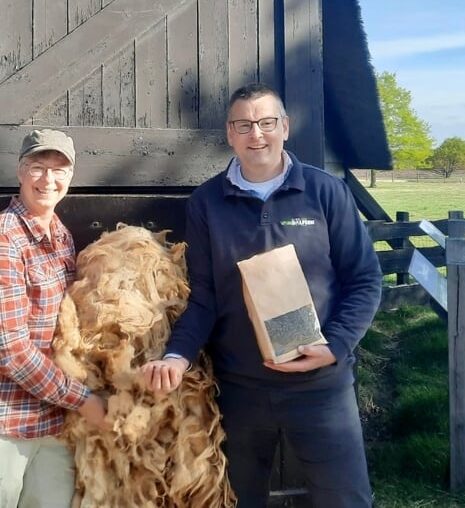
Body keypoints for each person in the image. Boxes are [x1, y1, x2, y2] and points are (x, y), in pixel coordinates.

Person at [141, 83, 382, 508]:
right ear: (230, 135)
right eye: (244, 125)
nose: (257, 135)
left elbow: (364, 281)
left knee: (346, 500)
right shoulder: (207, 202)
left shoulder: (325, 192)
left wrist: (337, 346)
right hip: (241, 390)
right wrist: (177, 355)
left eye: (267, 123)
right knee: (238, 500)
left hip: (321, 387)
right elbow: (205, 297)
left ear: (285, 128)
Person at [0, 129, 108, 508]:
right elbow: (11, 350)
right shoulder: (1, 240)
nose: (48, 179)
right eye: (38, 167)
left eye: (59, 169)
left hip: (49, 424)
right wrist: (85, 401)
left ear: (71, 177)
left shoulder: (61, 237)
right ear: (20, 172)